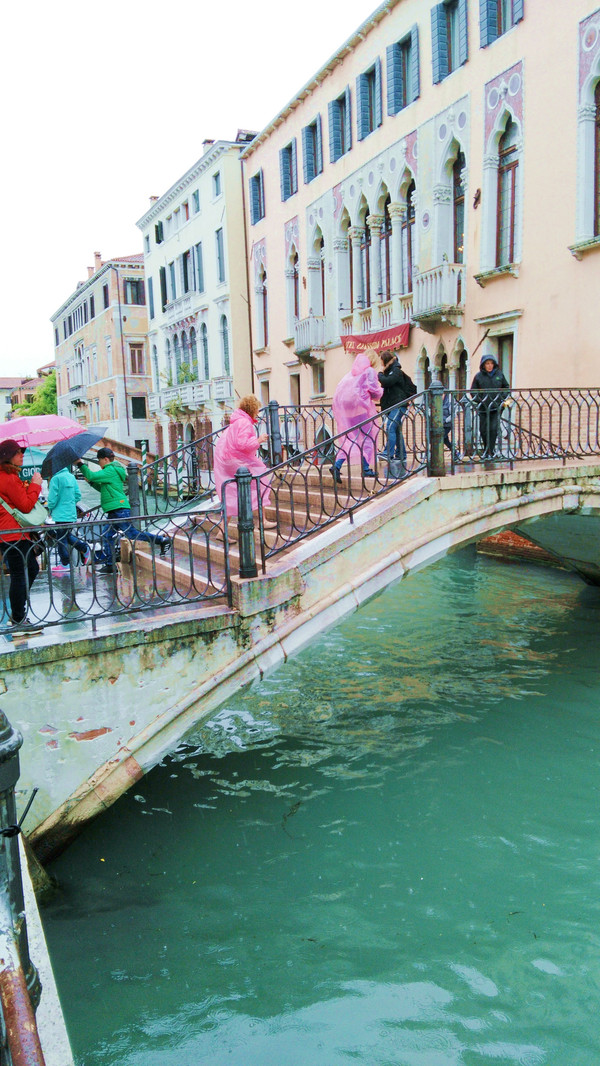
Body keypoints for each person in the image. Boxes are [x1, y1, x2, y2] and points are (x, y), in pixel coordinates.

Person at [76, 447, 171, 573]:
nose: (99, 463)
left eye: (99, 460)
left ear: (105, 459)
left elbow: (91, 475)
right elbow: (103, 489)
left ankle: (162, 540)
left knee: (132, 534)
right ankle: (110, 565)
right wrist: (92, 483)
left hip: (119, 509)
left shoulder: (110, 470)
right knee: (107, 536)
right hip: (114, 509)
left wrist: (80, 463)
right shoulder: (111, 470)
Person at [0, 439, 43, 625]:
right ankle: (18, 618)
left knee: (30, 569)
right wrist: (35, 485)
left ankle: (18, 614)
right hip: (14, 534)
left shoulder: (7, 476)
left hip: (9, 533)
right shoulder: (8, 478)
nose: (22, 455)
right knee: (20, 574)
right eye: (18, 452)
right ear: (8, 457)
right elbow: (25, 506)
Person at [213, 395, 272, 519]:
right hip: (237, 461)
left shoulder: (236, 422)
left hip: (227, 461)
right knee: (261, 482)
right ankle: (262, 521)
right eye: (257, 409)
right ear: (252, 409)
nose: (258, 412)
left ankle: (223, 528)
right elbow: (243, 445)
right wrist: (259, 440)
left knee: (230, 494)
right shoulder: (245, 422)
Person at [331, 351, 383, 483]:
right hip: (360, 409)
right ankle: (365, 469)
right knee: (367, 438)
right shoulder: (369, 371)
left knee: (350, 438)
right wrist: (381, 392)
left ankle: (337, 465)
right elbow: (374, 391)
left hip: (347, 410)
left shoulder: (352, 372)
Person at [377, 351, 416, 472]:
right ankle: (401, 454)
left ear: (385, 360)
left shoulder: (396, 371)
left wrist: (379, 374)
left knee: (390, 427)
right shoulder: (390, 371)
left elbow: (387, 382)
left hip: (398, 405)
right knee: (396, 430)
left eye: (381, 361)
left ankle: (388, 453)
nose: (381, 364)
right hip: (393, 405)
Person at [47, 466, 89, 568]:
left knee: (61, 539)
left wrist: (50, 509)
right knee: (66, 536)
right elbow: (78, 495)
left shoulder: (55, 479)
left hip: (60, 515)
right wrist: (69, 504)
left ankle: (65, 563)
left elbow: (52, 500)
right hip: (71, 514)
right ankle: (84, 549)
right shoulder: (71, 477)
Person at [470, 356, 510, 459]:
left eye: (491, 363)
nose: (489, 366)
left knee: (493, 429)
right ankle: (486, 450)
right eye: (487, 364)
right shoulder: (478, 376)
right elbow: (473, 391)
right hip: (483, 408)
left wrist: (501, 399)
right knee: (483, 430)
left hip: (496, 407)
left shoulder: (499, 375)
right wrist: (480, 401)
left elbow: (506, 387)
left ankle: (490, 451)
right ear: (483, 365)